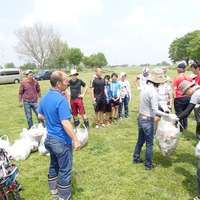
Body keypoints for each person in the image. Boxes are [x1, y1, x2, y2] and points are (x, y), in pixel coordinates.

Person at [38, 71, 81, 200]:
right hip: (61, 141)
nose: (67, 83)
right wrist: (76, 139)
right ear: (58, 83)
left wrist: (51, 119)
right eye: (66, 81)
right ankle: (63, 197)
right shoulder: (61, 100)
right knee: (65, 170)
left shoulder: (45, 97)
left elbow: (40, 115)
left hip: (49, 140)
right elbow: (65, 123)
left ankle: (54, 192)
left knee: (54, 165)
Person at [133, 68, 178, 170]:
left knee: (140, 140)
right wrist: (168, 115)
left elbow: (158, 100)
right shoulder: (153, 92)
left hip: (140, 117)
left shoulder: (144, 87)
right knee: (149, 144)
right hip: (148, 119)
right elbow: (155, 110)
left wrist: (165, 107)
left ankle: (135, 158)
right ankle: (148, 165)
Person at [177, 80, 200, 199]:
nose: (186, 95)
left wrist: (176, 118)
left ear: (189, 88)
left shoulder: (196, 94)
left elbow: (186, 112)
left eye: (185, 92)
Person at [172, 63, 193, 132]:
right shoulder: (189, 77)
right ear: (185, 70)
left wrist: (172, 98)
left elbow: (174, 89)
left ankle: (180, 128)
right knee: (186, 112)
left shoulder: (177, 78)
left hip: (179, 97)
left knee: (179, 113)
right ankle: (185, 126)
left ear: (178, 70)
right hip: (188, 97)